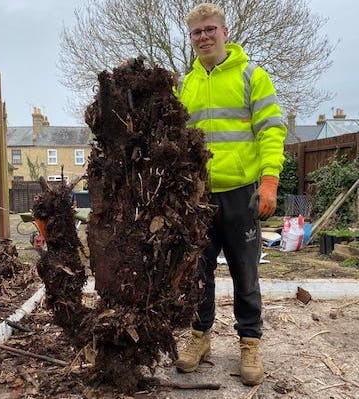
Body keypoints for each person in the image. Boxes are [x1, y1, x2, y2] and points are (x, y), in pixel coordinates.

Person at [174, 3, 287, 386]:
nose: (203, 37)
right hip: (198, 197)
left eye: (210, 29)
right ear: (190, 39)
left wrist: (269, 180)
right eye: (196, 32)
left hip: (241, 193)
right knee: (197, 273)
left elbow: (272, 129)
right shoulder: (185, 85)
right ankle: (199, 336)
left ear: (225, 31)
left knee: (245, 272)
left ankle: (250, 342)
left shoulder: (251, 75)